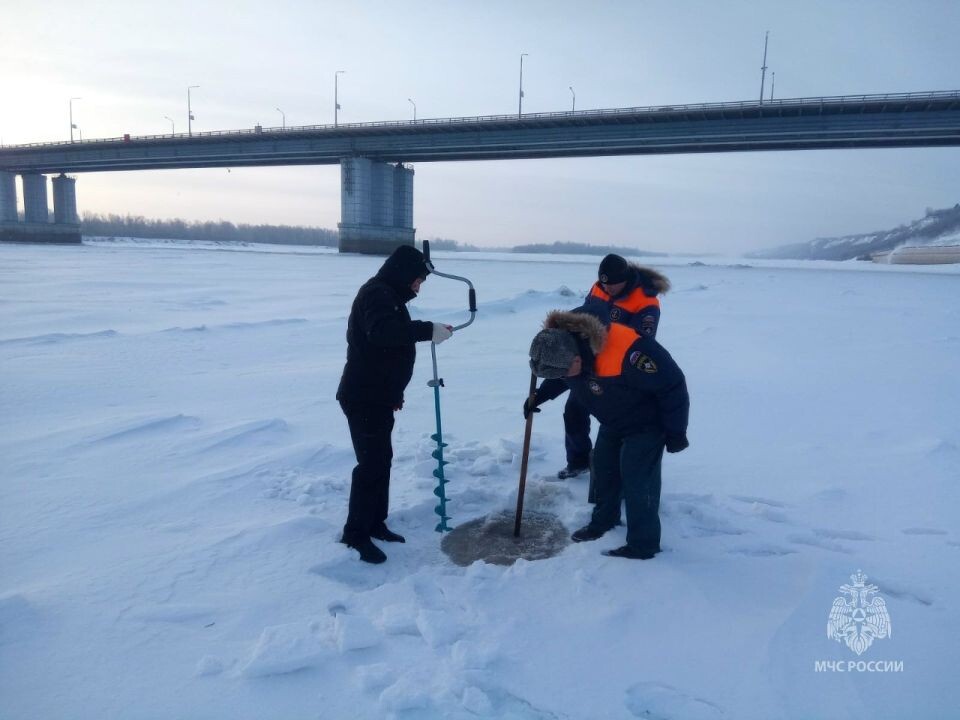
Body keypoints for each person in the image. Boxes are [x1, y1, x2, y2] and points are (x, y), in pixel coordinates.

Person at [525, 310, 689, 559]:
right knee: (604, 471)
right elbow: (562, 378)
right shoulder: (564, 350)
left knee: (637, 480)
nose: (563, 377)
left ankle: (643, 545)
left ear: (577, 359)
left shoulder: (631, 351)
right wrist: (540, 396)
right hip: (613, 420)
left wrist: (676, 432)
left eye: (564, 371)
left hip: (647, 424)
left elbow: (672, 384)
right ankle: (603, 521)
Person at [336, 245, 454, 564]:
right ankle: (356, 533)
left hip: (378, 396)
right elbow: (383, 335)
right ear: (403, 273)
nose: (418, 286)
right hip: (362, 396)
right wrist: (426, 330)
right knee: (371, 465)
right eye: (417, 280)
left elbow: (387, 354)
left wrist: (394, 394)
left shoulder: (389, 296)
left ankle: (376, 523)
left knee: (382, 460)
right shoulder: (376, 294)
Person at [557, 254, 671, 480]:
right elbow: (585, 317)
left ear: (626, 279)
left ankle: (618, 469)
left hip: (621, 373)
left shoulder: (645, 301)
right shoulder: (599, 288)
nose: (606, 289)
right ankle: (579, 460)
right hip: (590, 365)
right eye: (603, 283)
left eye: (612, 284)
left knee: (614, 422)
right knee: (573, 412)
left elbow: (642, 342)